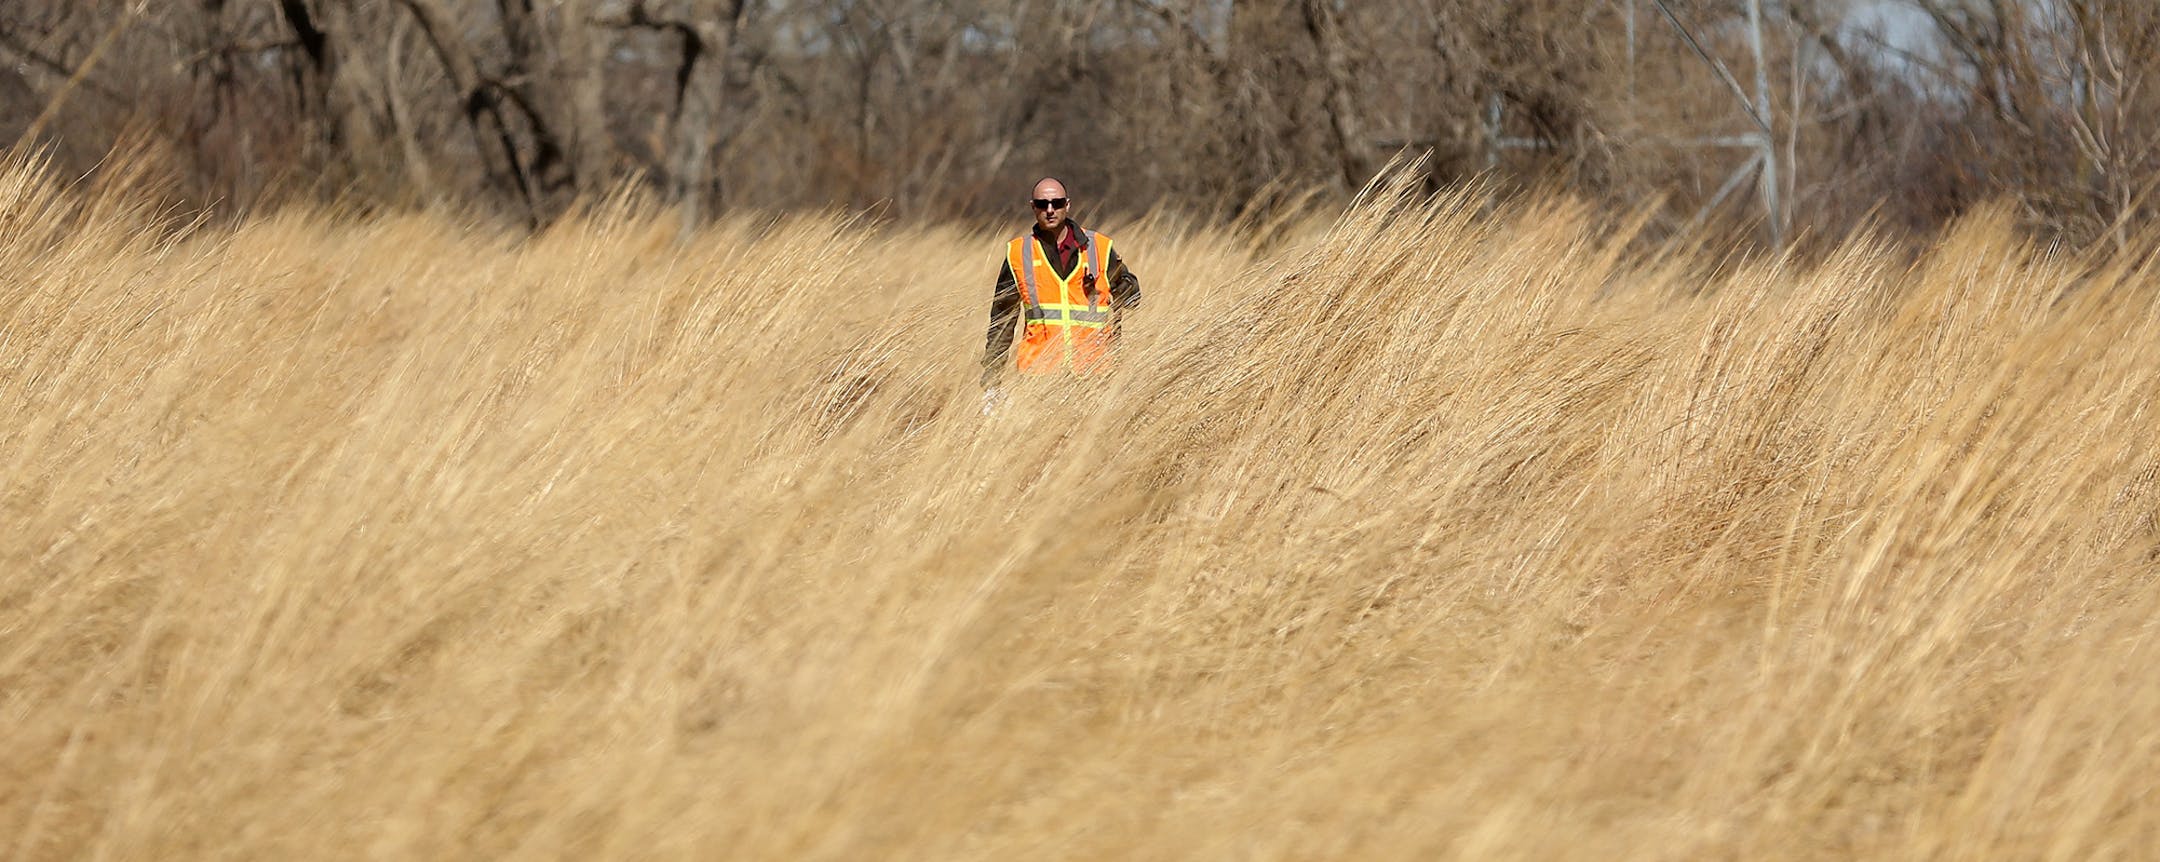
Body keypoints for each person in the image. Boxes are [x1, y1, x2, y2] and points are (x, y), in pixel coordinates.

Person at [982, 177, 1142, 401]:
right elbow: (1002, 321)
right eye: (1042, 204)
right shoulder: (1019, 253)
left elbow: (1133, 298)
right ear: (1032, 207)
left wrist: (1116, 285)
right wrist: (991, 381)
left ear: (1067, 205)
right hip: (1039, 380)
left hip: (1095, 377)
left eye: (1056, 203)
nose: (1050, 210)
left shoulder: (1099, 247)